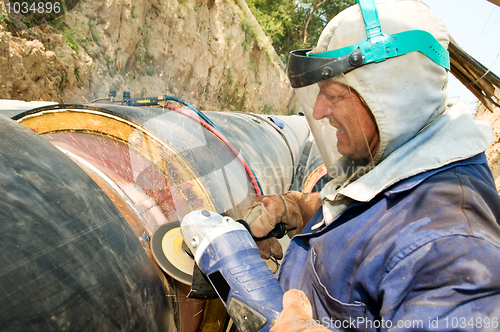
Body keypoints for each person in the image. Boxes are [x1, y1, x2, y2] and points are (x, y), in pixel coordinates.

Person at [243, 0, 500, 330]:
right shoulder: (394, 155)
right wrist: (296, 208)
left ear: (393, 98)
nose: (319, 111)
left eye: (334, 95)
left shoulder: (451, 244)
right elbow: (369, 226)